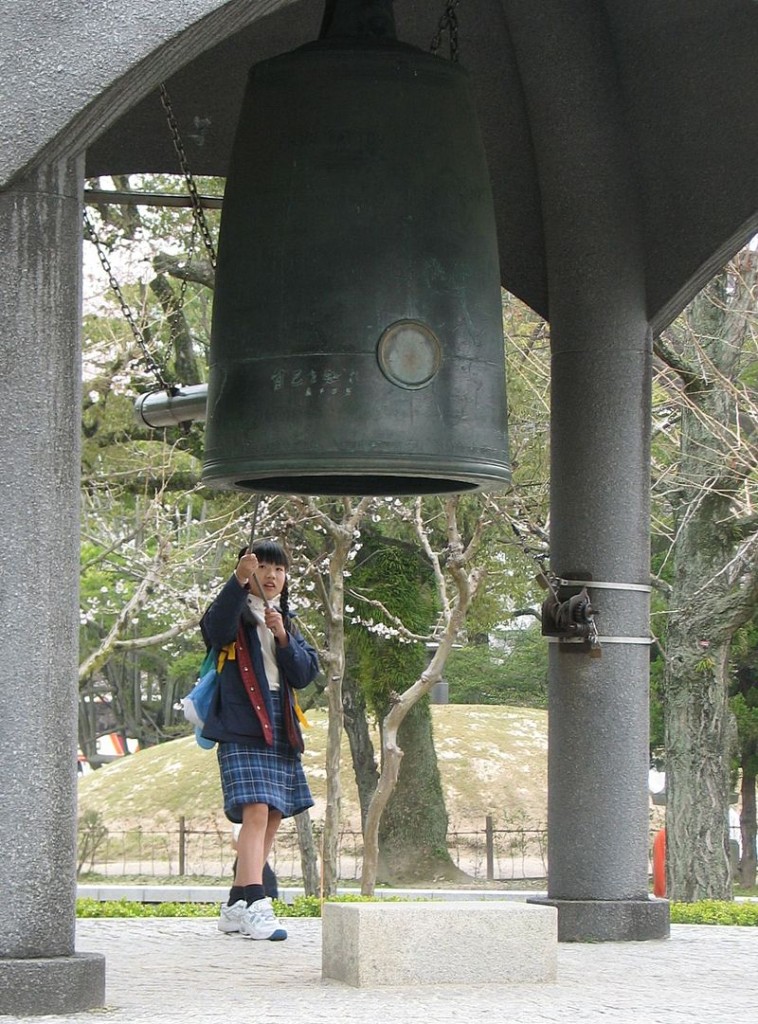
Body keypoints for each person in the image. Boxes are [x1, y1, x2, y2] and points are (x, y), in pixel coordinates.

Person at [200, 540, 318, 940]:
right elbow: (214, 631)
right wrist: (236, 580)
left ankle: (235, 904)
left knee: (272, 815)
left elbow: (304, 674)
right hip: (241, 720)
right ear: (248, 570)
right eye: (262, 566)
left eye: (279, 569)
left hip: (280, 722)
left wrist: (283, 637)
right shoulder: (231, 612)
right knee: (254, 811)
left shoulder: (284, 617)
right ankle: (256, 900)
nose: (271, 575)